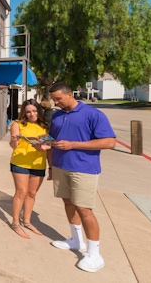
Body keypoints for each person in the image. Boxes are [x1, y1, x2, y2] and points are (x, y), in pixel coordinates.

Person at [48, 82, 116, 273]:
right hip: (60, 166)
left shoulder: (93, 115)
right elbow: (52, 140)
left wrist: (73, 145)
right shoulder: (57, 115)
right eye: (54, 99)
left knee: (84, 209)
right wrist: (44, 148)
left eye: (58, 99)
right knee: (68, 203)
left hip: (83, 169)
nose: (56, 102)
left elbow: (109, 142)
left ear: (70, 94)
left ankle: (95, 253)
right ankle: (76, 241)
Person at [8, 99, 50, 239]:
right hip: (20, 162)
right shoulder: (17, 124)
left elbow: (48, 147)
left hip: (38, 163)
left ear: (39, 110)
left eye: (34, 111)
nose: (32, 114)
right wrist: (14, 139)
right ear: (24, 113)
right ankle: (15, 223)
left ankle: (26, 221)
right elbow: (14, 146)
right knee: (21, 192)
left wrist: (44, 148)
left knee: (31, 194)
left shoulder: (44, 126)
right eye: (28, 112)